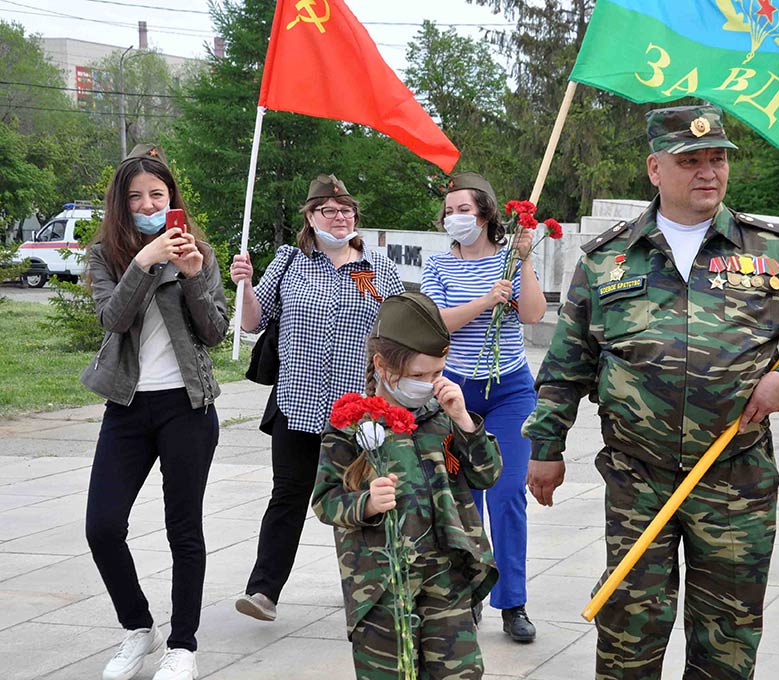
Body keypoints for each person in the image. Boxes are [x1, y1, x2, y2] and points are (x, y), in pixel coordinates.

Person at [523, 106, 779, 680]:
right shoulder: (608, 259)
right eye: (691, 161)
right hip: (638, 478)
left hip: (734, 478)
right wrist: (546, 448)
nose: (708, 172)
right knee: (628, 629)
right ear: (655, 168)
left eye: (718, 159)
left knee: (726, 638)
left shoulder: (770, 252)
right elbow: (567, 362)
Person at [82, 143, 228, 680]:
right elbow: (113, 319)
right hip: (127, 406)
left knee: (183, 528)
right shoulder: (106, 255)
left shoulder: (200, 252)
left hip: (187, 407)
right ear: (121, 205)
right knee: (102, 526)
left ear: (172, 200)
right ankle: (137, 627)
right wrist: (145, 262)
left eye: (157, 195)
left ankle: (183, 645)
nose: (147, 204)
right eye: (136, 196)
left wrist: (191, 274)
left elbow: (214, 331)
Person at [229, 174, 404, 622]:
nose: (341, 217)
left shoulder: (375, 270)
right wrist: (244, 284)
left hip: (358, 413)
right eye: (330, 210)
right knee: (287, 496)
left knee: (361, 499)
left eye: (347, 211)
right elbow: (252, 322)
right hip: (297, 404)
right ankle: (263, 590)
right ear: (310, 216)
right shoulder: (290, 262)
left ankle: (372, 591)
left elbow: (399, 331)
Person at [311, 292, 501, 678]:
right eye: (418, 376)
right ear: (382, 365)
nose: (430, 384)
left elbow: (487, 475)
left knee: (461, 671)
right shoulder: (352, 424)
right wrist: (366, 503)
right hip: (381, 584)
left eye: (437, 372)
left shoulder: (443, 415)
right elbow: (326, 501)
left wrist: (465, 422)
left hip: (445, 574)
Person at [419, 172, 546, 642]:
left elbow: (533, 314)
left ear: (488, 215)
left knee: (508, 492)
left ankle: (513, 602)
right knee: (460, 499)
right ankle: (467, 594)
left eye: (463, 210)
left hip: (510, 390)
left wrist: (525, 263)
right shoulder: (438, 265)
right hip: (455, 395)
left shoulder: (511, 260)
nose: (455, 218)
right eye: (449, 211)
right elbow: (435, 324)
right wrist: (484, 301)